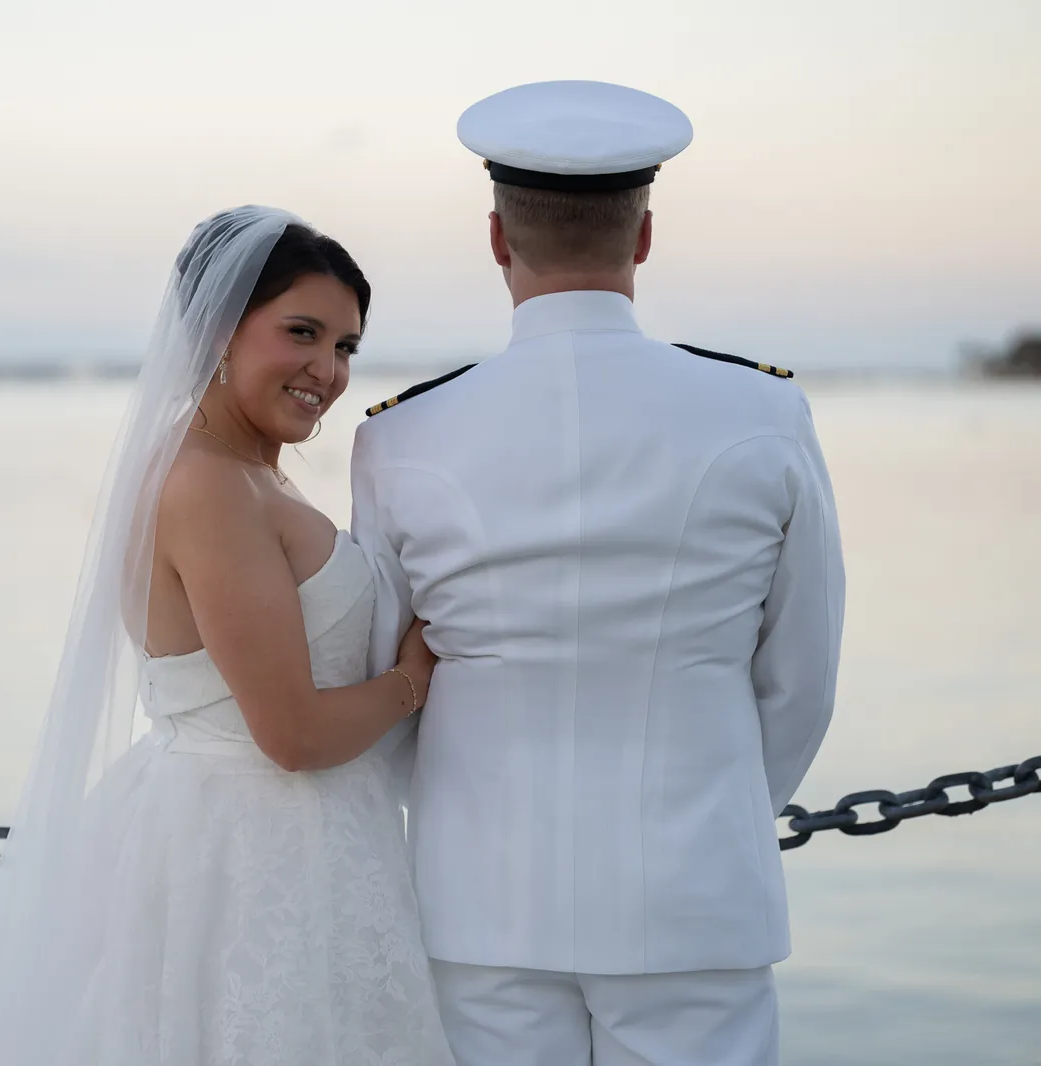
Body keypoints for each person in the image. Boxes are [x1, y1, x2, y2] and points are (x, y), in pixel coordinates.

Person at [353, 80, 846, 1066]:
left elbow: (388, 680)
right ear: (646, 234)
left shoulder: (401, 435)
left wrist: (455, 807)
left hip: (478, 892)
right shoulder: (760, 414)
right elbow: (799, 677)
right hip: (696, 893)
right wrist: (717, 809)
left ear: (495, 236)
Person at [0, 207, 455, 1065]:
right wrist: (414, 677)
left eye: (346, 346)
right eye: (302, 334)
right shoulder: (208, 487)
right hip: (252, 856)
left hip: (289, 843)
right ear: (218, 329)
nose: (327, 369)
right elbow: (291, 735)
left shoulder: (241, 474)